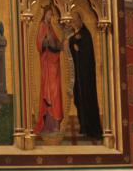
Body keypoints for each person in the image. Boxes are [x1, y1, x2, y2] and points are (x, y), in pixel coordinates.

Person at [67, 13, 103, 140]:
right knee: (78, 99)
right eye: (73, 21)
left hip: (86, 76)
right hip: (79, 75)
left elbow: (87, 52)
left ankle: (91, 128)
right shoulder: (75, 34)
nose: (74, 23)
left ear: (81, 20)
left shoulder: (86, 34)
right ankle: (84, 126)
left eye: (76, 20)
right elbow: (71, 43)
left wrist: (79, 49)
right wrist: (73, 44)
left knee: (87, 100)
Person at [34, 7, 64, 135]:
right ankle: (48, 126)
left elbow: (56, 43)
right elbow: (39, 44)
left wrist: (58, 43)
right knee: (50, 93)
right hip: (47, 64)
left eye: (51, 15)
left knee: (56, 92)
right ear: (44, 14)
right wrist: (46, 41)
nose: (50, 16)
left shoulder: (51, 27)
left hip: (54, 64)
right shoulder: (42, 26)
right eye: (48, 14)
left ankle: (55, 124)